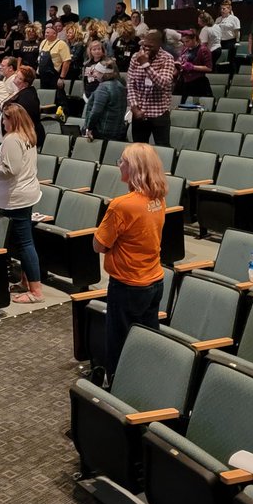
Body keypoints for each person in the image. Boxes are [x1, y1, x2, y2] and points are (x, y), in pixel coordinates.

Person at [92, 144, 166, 376]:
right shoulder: (158, 197)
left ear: (134, 168)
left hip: (128, 284)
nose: (119, 165)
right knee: (146, 339)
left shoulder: (122, 205)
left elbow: (98, 245)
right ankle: (145, 381)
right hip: (154, 281)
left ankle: (117, 386)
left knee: (119, 343)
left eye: (122, 161)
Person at [0, 105, 43, 304]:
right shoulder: (28, 135)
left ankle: (35, 291)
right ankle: (27, 282)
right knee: (23, 242)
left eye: (5, 120)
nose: (3, 123)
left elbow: (11, 170)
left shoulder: (12, 139)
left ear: (13, 120)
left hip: (16, 198)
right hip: (25, 194)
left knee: (25, 243)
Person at [126, 31, 177, 146]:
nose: (146, 49)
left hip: (159, 113)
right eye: (145, 45)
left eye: (150, 46)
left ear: (159, 45)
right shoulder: (136, 56)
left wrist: (145, 64)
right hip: (139, 113)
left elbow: (163, 83)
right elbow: (130, 84)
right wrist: (134, 107)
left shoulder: (167, 58)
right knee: (139, 150)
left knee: (163, 148)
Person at [82, 58, 127, 141]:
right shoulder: (120, 85)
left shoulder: (103, 88)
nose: (94, 74)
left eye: (96, 72)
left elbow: (96, 112)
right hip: (118, 131)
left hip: (102, 132)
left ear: (102, 73)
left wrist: (89, 128)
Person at [4, 64, 45, 148]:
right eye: (16, 75)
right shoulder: (22, 92)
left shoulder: (28, 97)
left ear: (25, 83)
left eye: (19, 78)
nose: (15, 78)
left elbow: (21, 118)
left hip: (26, 136)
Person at [176, 30, 213, 101]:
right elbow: (181, 59)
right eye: (183, 42)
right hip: (184, 80)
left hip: (198, 82)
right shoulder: (185, 49)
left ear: (195, 39)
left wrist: (193, 67)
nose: (185, 44)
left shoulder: (203, 50)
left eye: (187, 41)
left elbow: (209, 68)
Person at [215, 0, 241, 71]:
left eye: (224, 9)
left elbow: (237, 31)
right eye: (221, 9)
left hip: (230, 41)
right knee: (220, 60)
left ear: (229, 9)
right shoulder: (218, 19)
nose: (222, 10)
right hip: (220, 42)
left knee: (231, 60)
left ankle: (232, 75)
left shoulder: (234, 19)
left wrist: (237, 41)